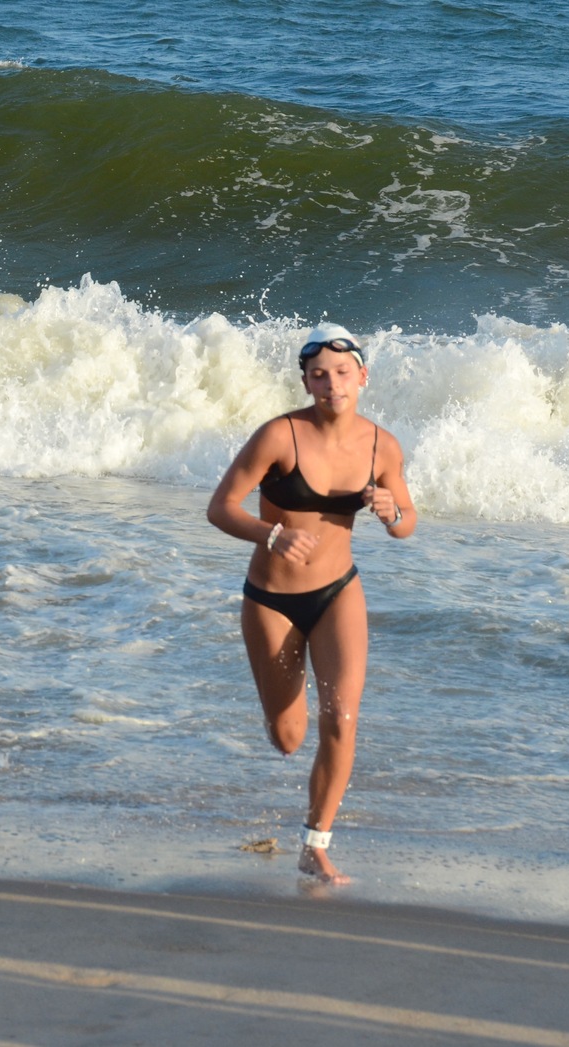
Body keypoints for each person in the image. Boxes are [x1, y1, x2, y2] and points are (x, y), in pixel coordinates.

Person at [206, 323, 416, 885]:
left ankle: (315, 843)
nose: (332, 385)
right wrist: (269, 535)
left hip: (337, 592)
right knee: (288, 737)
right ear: (305, 381)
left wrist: (391, 511)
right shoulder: (278, 436)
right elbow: (220, 507)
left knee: (342, 719)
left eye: (343, 374)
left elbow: (407, 525)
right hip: (271, 599)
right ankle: (280, 716)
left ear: (362, 377)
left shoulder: (381, 446)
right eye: (319, 375)